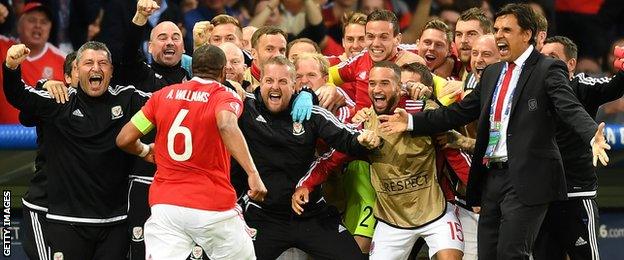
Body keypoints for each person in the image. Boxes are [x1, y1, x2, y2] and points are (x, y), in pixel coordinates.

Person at [376, 4, 610, 259]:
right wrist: (412, 122)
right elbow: (459, 112)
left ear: (527, 34)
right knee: (487, 255)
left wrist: (591, 133)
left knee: (511, 254)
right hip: (492, 179)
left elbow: (568, 106)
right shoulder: (493, 72)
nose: (499, 35)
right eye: (497, 29)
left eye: (507, 30)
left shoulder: (547, 69)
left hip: (528, 178)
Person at [294, 62, 463, 260]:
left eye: (384, 83)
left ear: (399, 87)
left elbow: (456, 154)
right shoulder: (365, 124)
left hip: (435, 214)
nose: (376, 89)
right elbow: (332, 158)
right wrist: (306, 185)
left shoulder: (425, 113)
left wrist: (478, 194)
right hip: (391, 220)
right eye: (372, 83)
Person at [116, 44, 266, 260]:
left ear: (192, 68)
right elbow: (226, 125)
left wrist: (144, 150)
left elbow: (124, 138)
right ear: (223, 71)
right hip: (212, 205)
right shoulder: (224, 95)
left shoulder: (162, 96)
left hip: (166, 205)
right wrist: (253, 173)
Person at [4, 41, 150, 259]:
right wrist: (11, 68)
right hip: (66, 220)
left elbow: (166, 102)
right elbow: (18, 96)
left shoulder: (127, 98)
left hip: (114, 221)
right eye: (88, 62)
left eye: (103, 63)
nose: (96, 68)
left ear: (111, 71)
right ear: (76, 70)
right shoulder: (59, 100)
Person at [232, 56, 380, 260]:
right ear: (260, 82)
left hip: (310, 214)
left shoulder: (310, 112)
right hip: (263, 215)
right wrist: (230, 86)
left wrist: (364, 138)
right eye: (269, 81)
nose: (275, 86)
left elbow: (345, 136)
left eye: (283, 81)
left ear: (294, 86)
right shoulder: (245, 108)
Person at [534, 36, 624, 260]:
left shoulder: (581, 85)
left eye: (553, 58)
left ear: (571, 64)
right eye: (543, 57)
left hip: (576, 190)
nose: (546, 63)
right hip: (541, 193)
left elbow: (613, 87)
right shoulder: (530, 89)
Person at [18, 51, 77, 260]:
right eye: (81, 66)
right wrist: (42, 85)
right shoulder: (53, 100)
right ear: (68, 78)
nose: (92, 70)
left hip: (85, 210)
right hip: (45, 203)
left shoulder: (113, 102)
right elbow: (25, 113)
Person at [0, 2, 65, 123]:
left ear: (50, 28)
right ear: (19, 25)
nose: (38, 26)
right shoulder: (2, 47)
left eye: (44, 22)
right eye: (32, 20)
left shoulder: (63, 60)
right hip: (3, 135)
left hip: (44, 138)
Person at [454, 8, 493, 81]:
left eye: (471, 34)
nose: (463, 40)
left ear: (488, 36)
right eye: (459, 34)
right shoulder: (453, 67)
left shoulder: (501, 72)